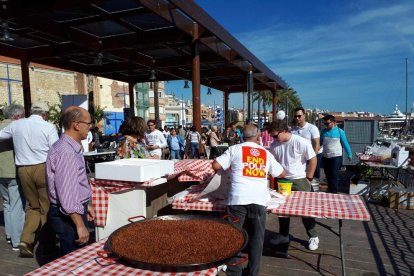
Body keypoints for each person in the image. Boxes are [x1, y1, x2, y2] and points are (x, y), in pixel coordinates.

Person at [212, 124, 285, 276]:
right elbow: (281, 173)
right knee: (257, 239)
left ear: (242, 136)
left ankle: (234, 272)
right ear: (258, 136)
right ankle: (252, 272)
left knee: (234, 237)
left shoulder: (235, 149)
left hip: (237, 199)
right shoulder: (265, 153)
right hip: (259, 199)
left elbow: (216, 165)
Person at [0, 101, 58, 258]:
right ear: (45, 114)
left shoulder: (17, 125)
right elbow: (55, 152)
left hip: (23, 170)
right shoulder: (48, 127)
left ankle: (26, 240)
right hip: (42, 167)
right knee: (46, 206)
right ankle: (47, 245)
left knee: (33, 206)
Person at [46, 106, 95, 256]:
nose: (90, 127)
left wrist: (86, 204)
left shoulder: (69, 147)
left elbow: (75, 183)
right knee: (74, 257)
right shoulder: (66, 151)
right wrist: (79, 224)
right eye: (89, 123)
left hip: (70, 210)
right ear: (77, 124)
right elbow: (67, 195)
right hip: (67, 215)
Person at [268, 120, 319, 251]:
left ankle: (313, 236)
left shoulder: (300, 141)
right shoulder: (274, 145)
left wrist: (309, 178)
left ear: (284, 131)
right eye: (272, 136)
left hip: (300, 180)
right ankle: (284, 235)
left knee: (306, 211)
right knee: (282, 211)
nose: (274, 138)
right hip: (282, 181)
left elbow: (313, 159)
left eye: (275, 135)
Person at [0, 104, 26, 251]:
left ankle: (10, 235)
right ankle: (17, 240)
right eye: (22, 116)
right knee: (17, 206)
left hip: (0, 171)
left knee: (7, 204)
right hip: (13, 171)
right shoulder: (16, 127)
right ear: (17, 116)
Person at [320, 115, 352, 193]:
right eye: (325, 124)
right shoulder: (323, 132)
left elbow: (345, 143)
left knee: (334, 175)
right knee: (327, 175)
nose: (326, 125)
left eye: (328, 123)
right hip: (325, 156)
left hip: (336, 157)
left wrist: (349, 154)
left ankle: (334, 192)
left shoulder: (339, 131)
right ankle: (330, 189)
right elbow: (319, 143)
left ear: (334, 122)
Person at [291, 107, 321, 190]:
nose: (297, 118)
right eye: (295, 116)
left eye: (299, 116)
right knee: (301, 179)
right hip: (298, 159)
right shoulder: (293, 129)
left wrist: (312, 158)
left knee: (310, 179)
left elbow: (316, 144)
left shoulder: (312, 128)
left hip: (310, 158)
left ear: (304, 116)